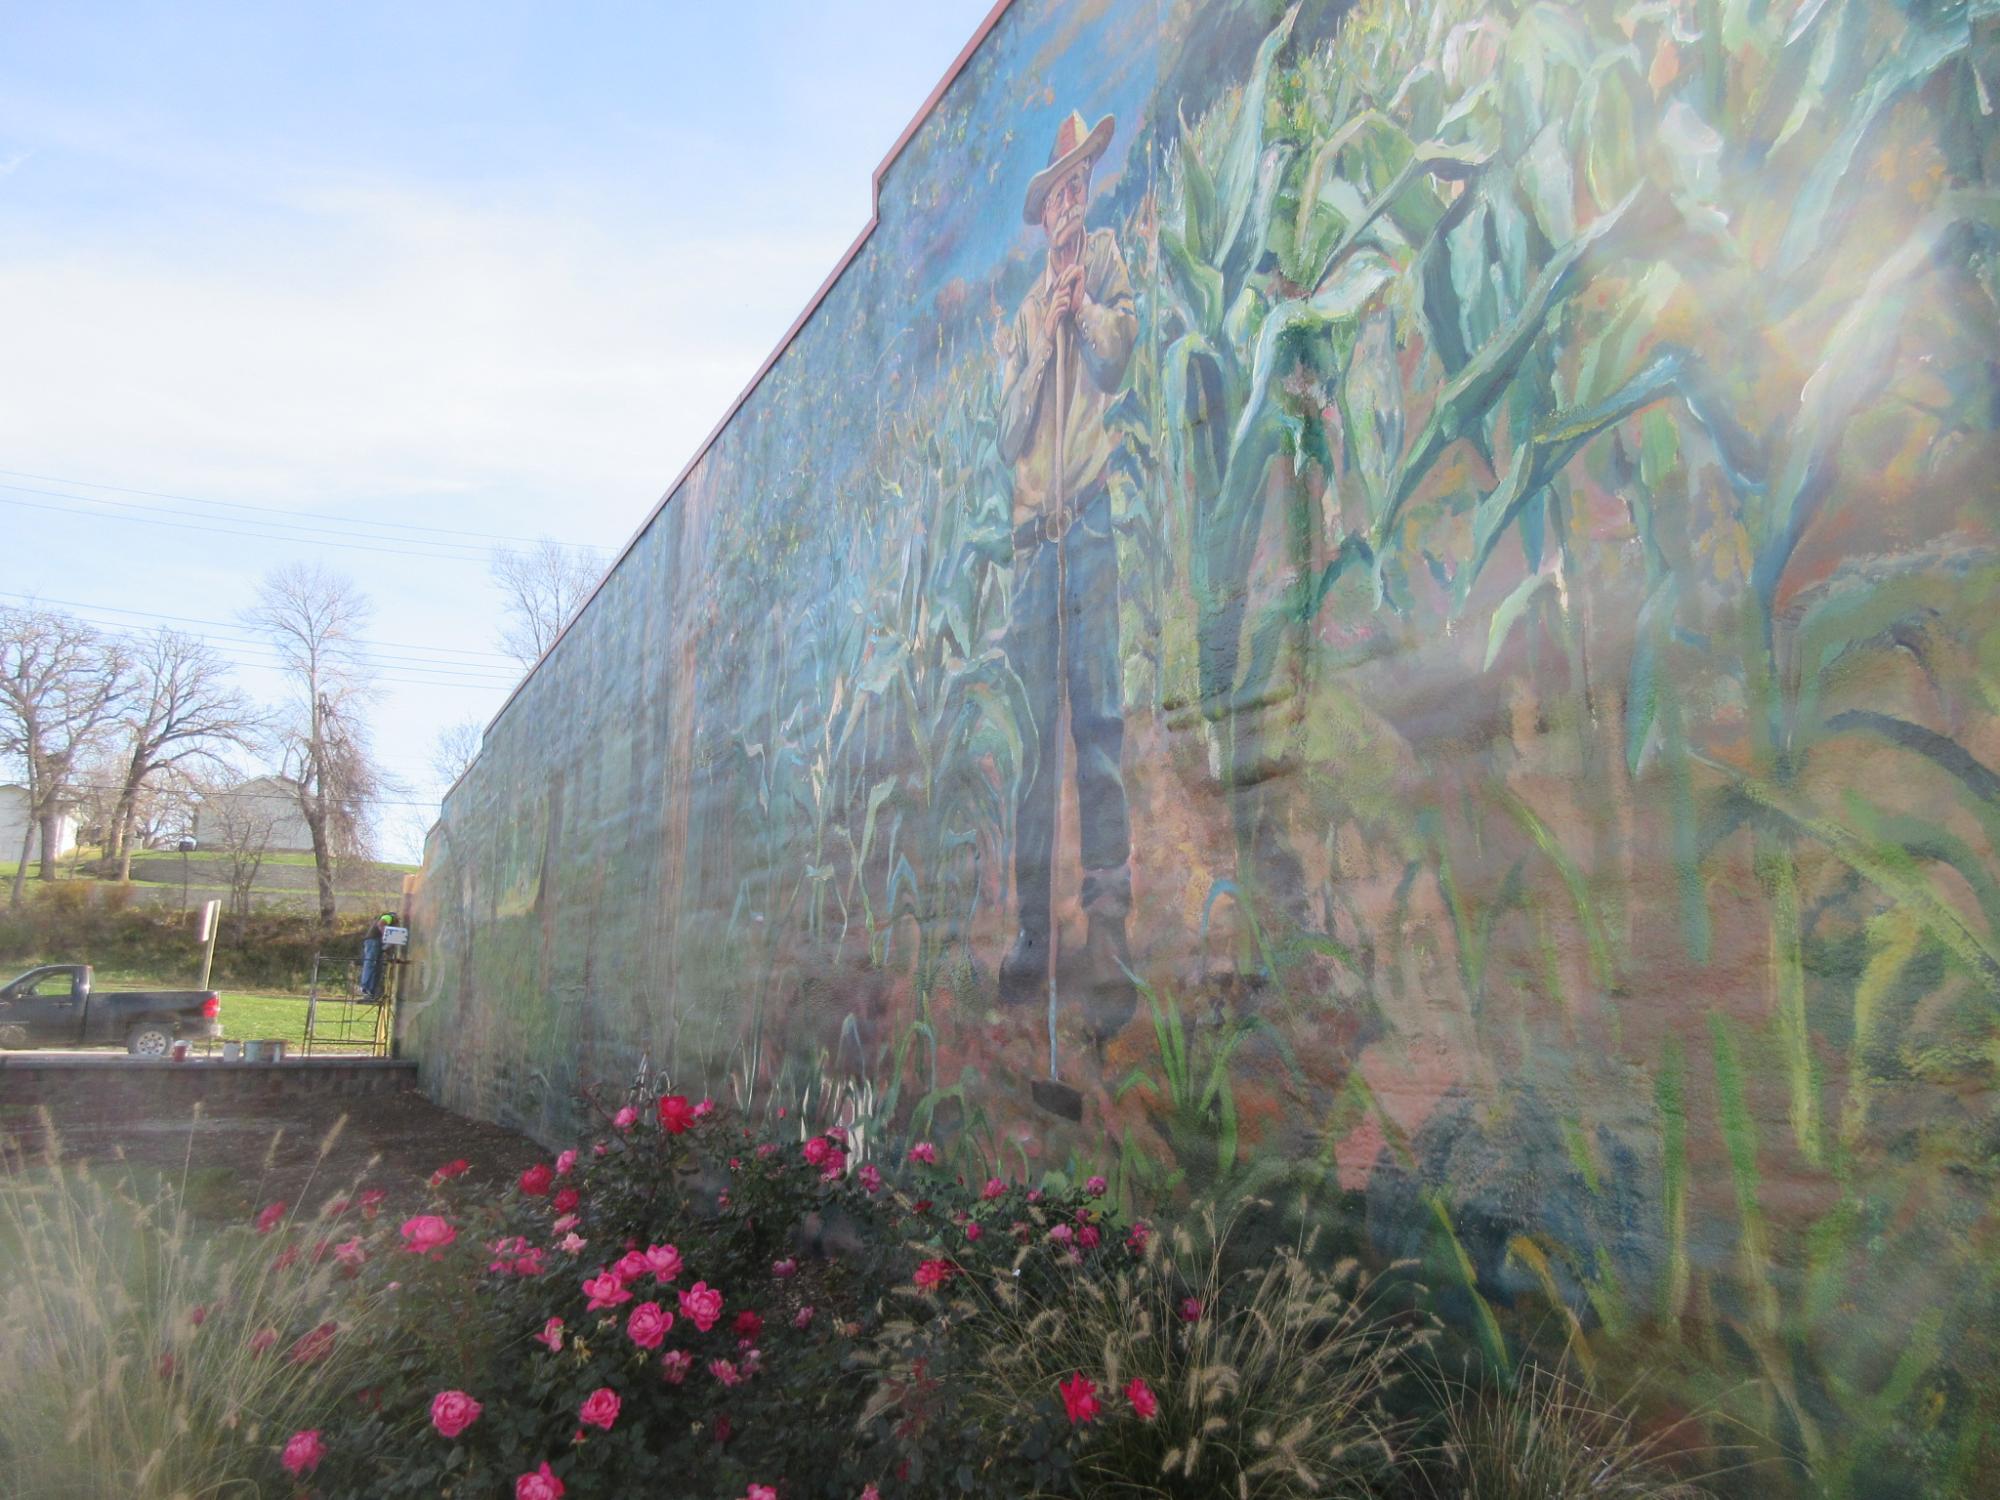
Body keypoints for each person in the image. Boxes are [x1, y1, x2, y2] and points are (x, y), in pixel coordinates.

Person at [995, 109, 1139, 1046]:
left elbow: (1120, 357)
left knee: (1098, 732)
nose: (1071, 204)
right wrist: (1045, 332)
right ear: (1044, 212)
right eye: (1059, 194)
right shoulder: (1018, 316)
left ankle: (1110, 933)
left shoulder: (1113, 264)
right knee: (1031, 754)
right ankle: (1030, 935)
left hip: (1086, 527)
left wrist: (1082, 311)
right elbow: (1008, 431)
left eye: (1083, 186)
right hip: (1031, 549)